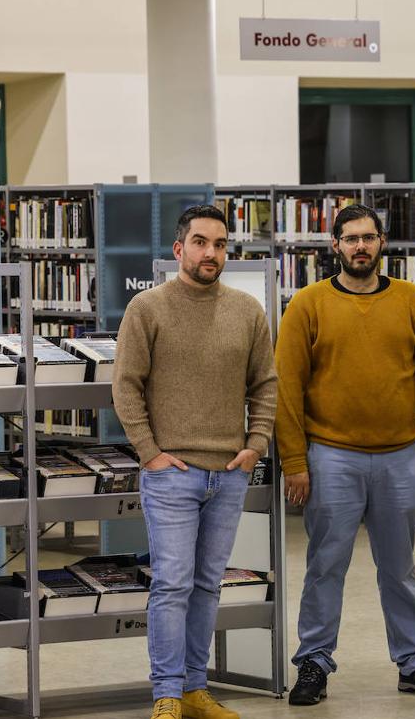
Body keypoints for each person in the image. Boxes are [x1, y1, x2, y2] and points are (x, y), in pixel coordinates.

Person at [276, 204, 415, 707]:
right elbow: (286, 389)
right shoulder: (307, 304)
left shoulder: (412, 300)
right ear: (334, 245)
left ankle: (414, 661)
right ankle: (313, 662)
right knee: (325, 564)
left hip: (402, 456)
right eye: (350, 238)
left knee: (399, 567)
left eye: (368, 238)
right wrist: (294, 460)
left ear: (382, 243)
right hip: (330, 456)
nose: (360, 247)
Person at [113, 205, 277, 719]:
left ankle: (194, 689)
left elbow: (266, 385)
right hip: (172, 475)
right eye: (202, 242)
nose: (212, 253)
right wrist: (150, 453)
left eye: (221, 244)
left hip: (228, 473)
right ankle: (165, 693)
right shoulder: (148, 307)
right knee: (172, 584)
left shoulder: (248, 310)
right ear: (180, 249)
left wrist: (256, 444)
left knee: (208, 584)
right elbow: (126, 385)